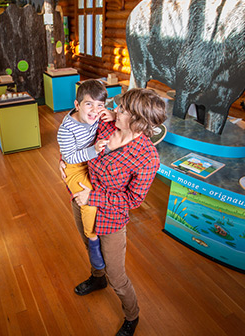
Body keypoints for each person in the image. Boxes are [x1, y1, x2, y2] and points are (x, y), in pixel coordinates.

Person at [62, 88, 167, 336]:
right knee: (89, 246)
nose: (116, 110)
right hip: (82, 200)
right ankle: (97, 278)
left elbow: (133, 199)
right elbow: (76, 133)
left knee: (117, 276)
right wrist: (64, 158)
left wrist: (94, 197)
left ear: (138, 121)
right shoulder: (107, 126)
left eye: (123, 110)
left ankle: (132, 316)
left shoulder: (147, 157)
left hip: (110, 217)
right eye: (119, 106)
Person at [57, 80, 113, 271]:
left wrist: (112, 113)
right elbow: (70, 157)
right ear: (77, 105)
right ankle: (93, 239)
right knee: (89, 203)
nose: (94, 110)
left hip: (92, 161)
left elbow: (116, 112)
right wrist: (94, 151)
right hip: (76, 167)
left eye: (100, 105)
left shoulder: (99, 115)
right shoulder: (66, 129)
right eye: (88, 103)